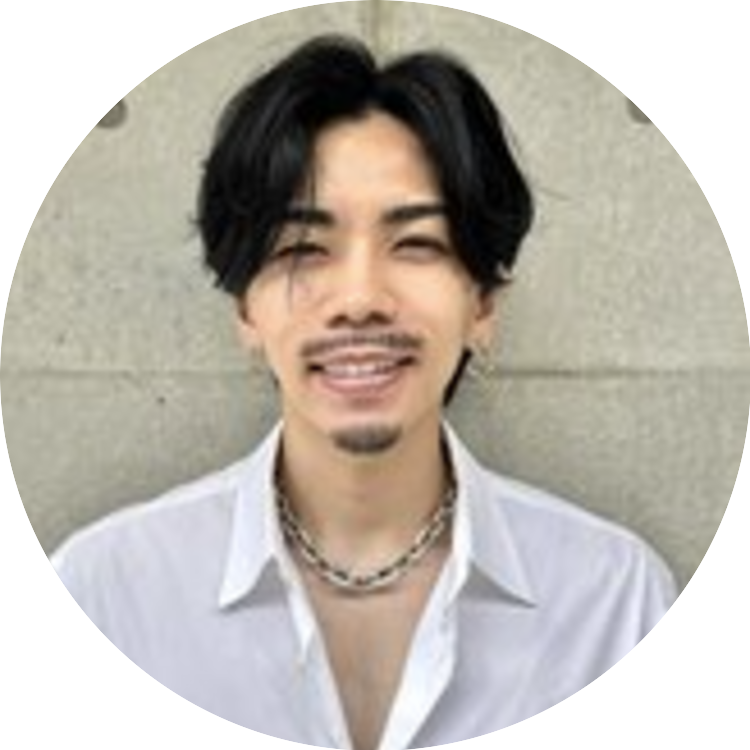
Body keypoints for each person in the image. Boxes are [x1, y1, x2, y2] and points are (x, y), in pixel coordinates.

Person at [5, 35, 704, 750]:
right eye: (303, 250)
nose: (361, 299)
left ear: (484, 302)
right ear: (245, 308)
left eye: (417, 244)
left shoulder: (612, 600)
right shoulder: (102, 595)